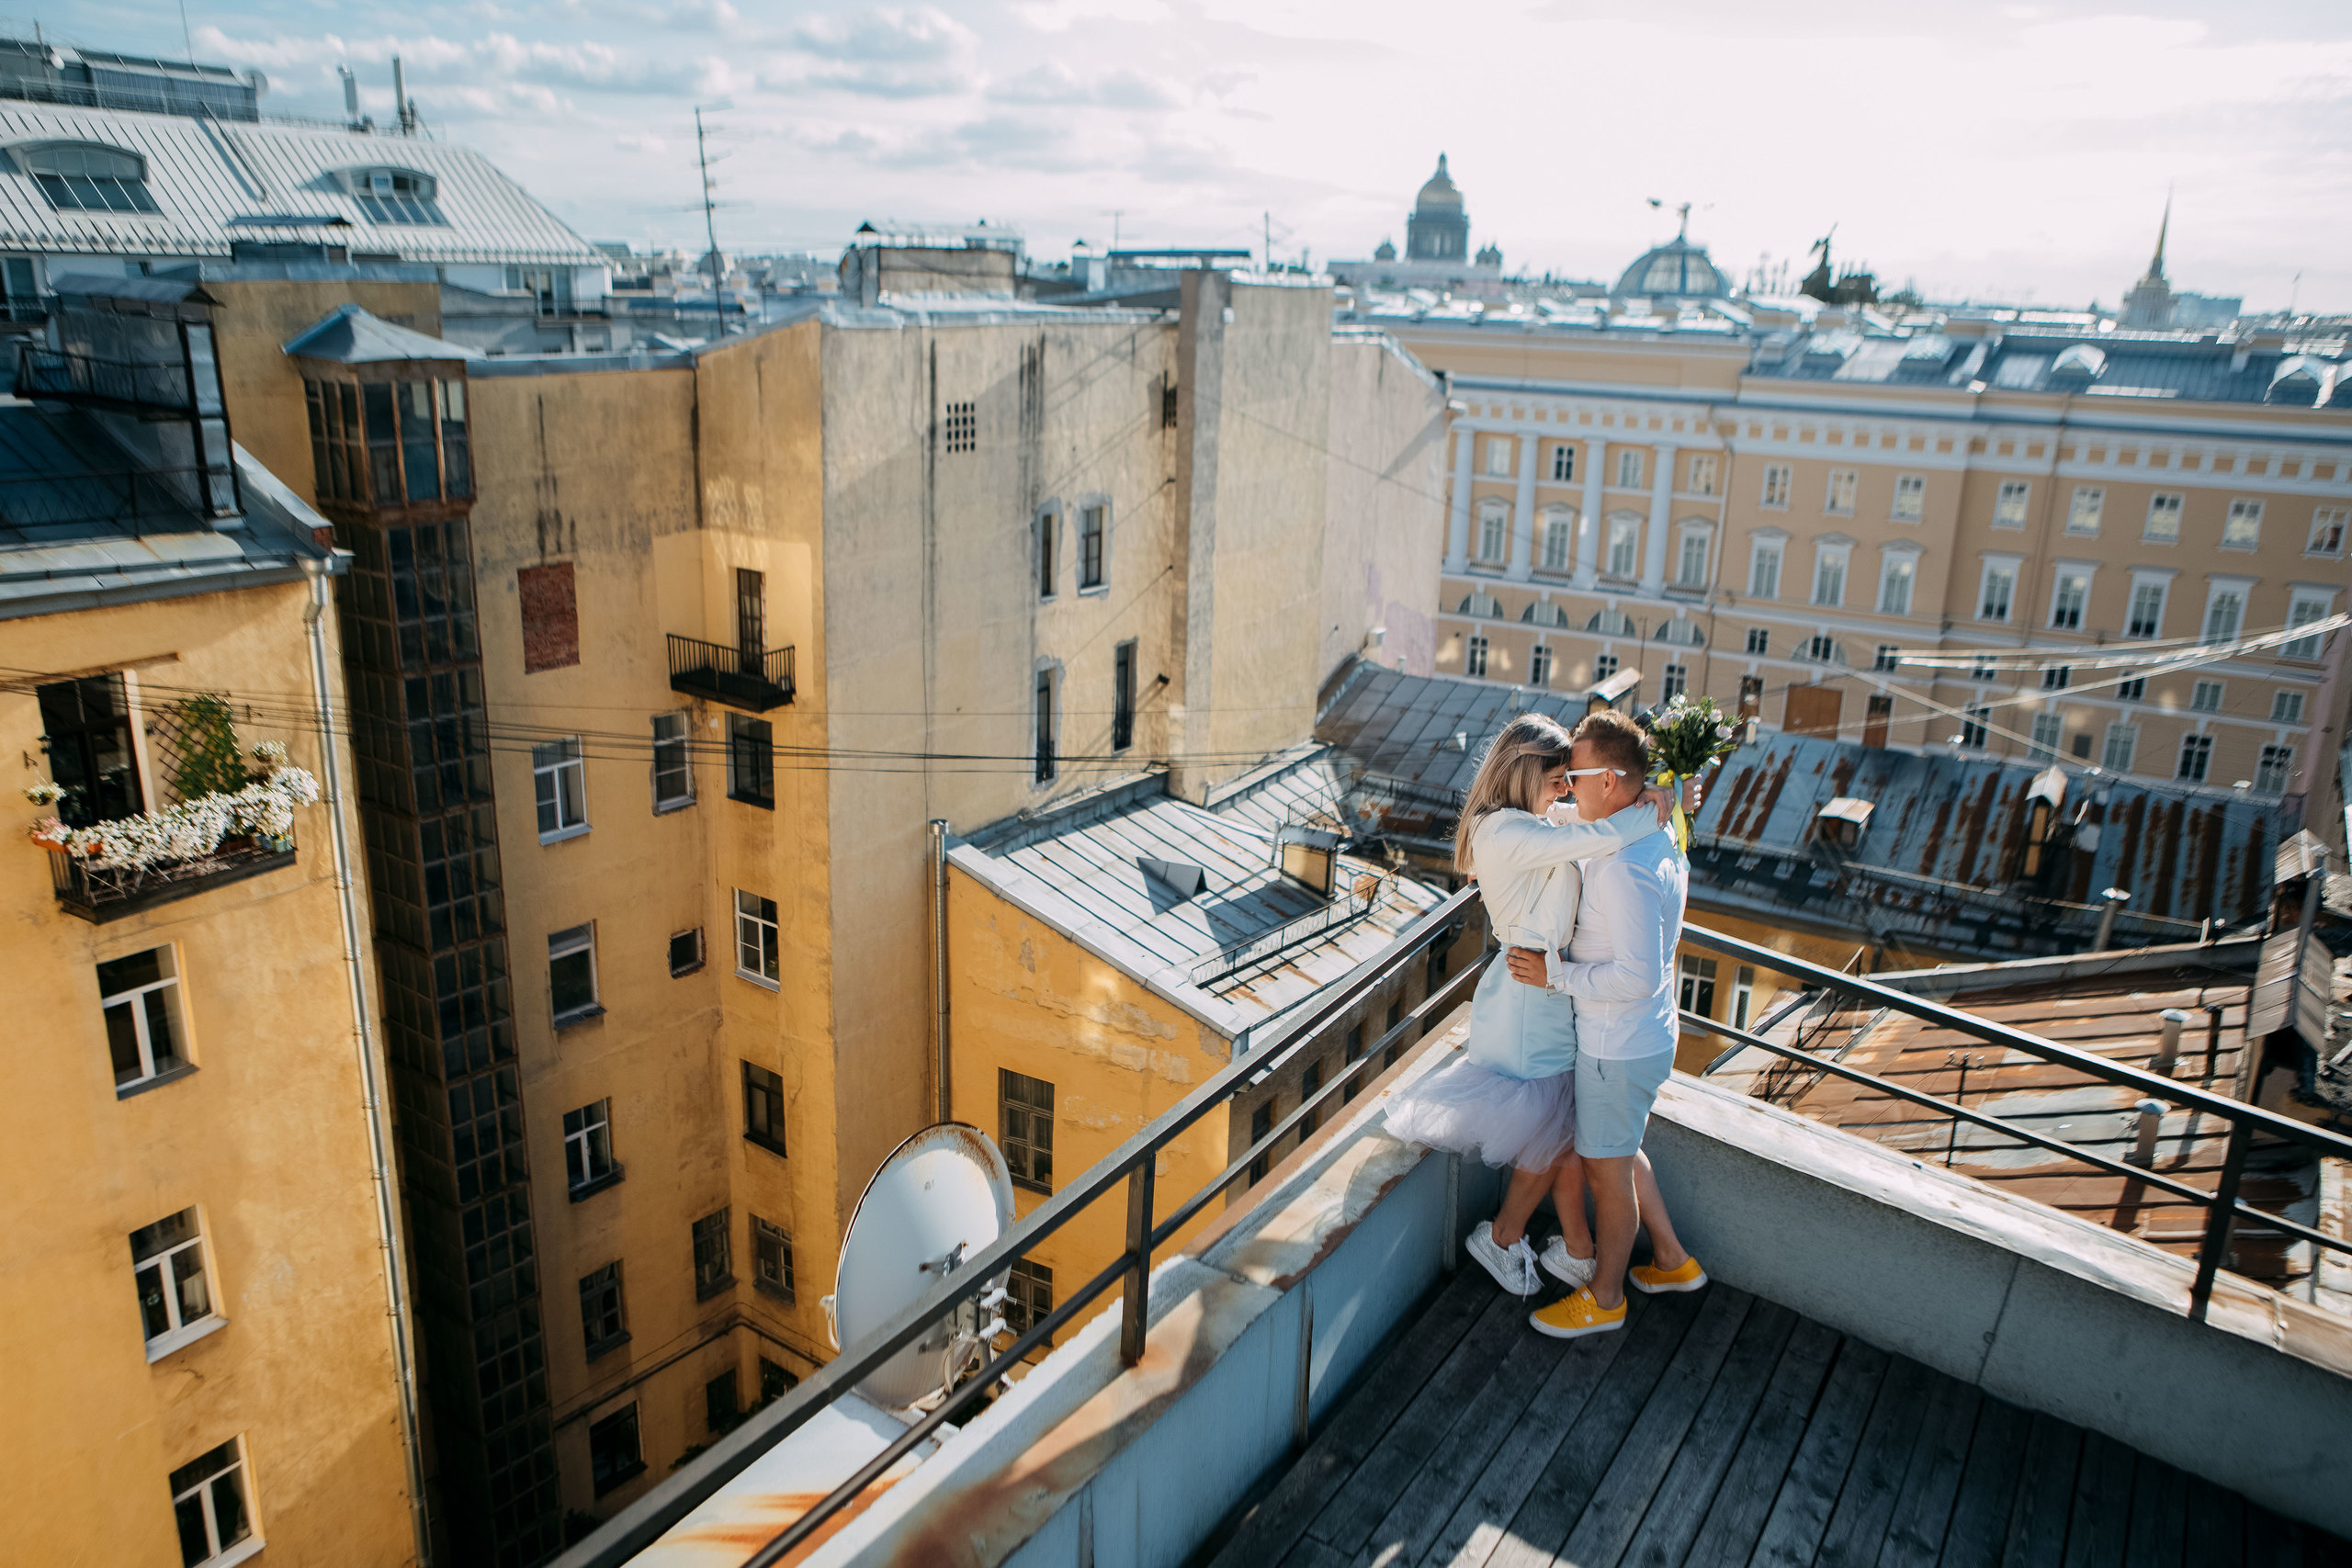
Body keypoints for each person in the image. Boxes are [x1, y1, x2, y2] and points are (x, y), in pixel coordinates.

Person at [1385, 713, 1670, 1297]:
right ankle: (1505, 1236)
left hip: (1544, 989)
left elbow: (1584, 820)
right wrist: (1655, 806)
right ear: (1524, 772)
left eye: (1570, 780)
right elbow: (1599, 835)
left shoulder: (1530, 821)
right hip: (1528, 997)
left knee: (1558, 1132)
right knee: (1549, 1129)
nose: (1565, 792)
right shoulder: (1503, 831)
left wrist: (1652, 792)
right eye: (1558, 779)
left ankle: (1576, 1249)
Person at [1509, 708, 1707, 1339]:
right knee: (1619, 1153)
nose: (1568, 787)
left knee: (1607, 1176)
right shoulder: (1652, 829)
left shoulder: (1623, 866)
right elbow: (1573, 821)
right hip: (1642, 1037)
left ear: (1611, 781)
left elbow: (1636, 977)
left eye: (1576, 776)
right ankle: (1672, 1260)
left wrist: (1555, 976)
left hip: (1616, 1046)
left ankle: (1606, 1298)